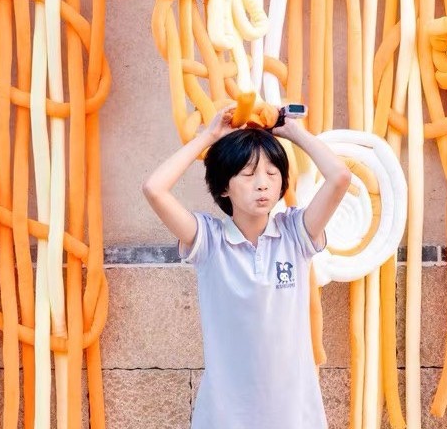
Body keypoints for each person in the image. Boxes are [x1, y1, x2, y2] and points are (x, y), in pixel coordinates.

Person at [142, 104, 352, 429]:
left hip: (295, 415)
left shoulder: (296, 233)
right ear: (225, 186)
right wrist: (209, 137)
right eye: (249, 174)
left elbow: (340, 177)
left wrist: (292, 132)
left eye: (272, 173)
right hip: (226, 416)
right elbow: (154, 189)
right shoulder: (209, 242)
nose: (263, 184)